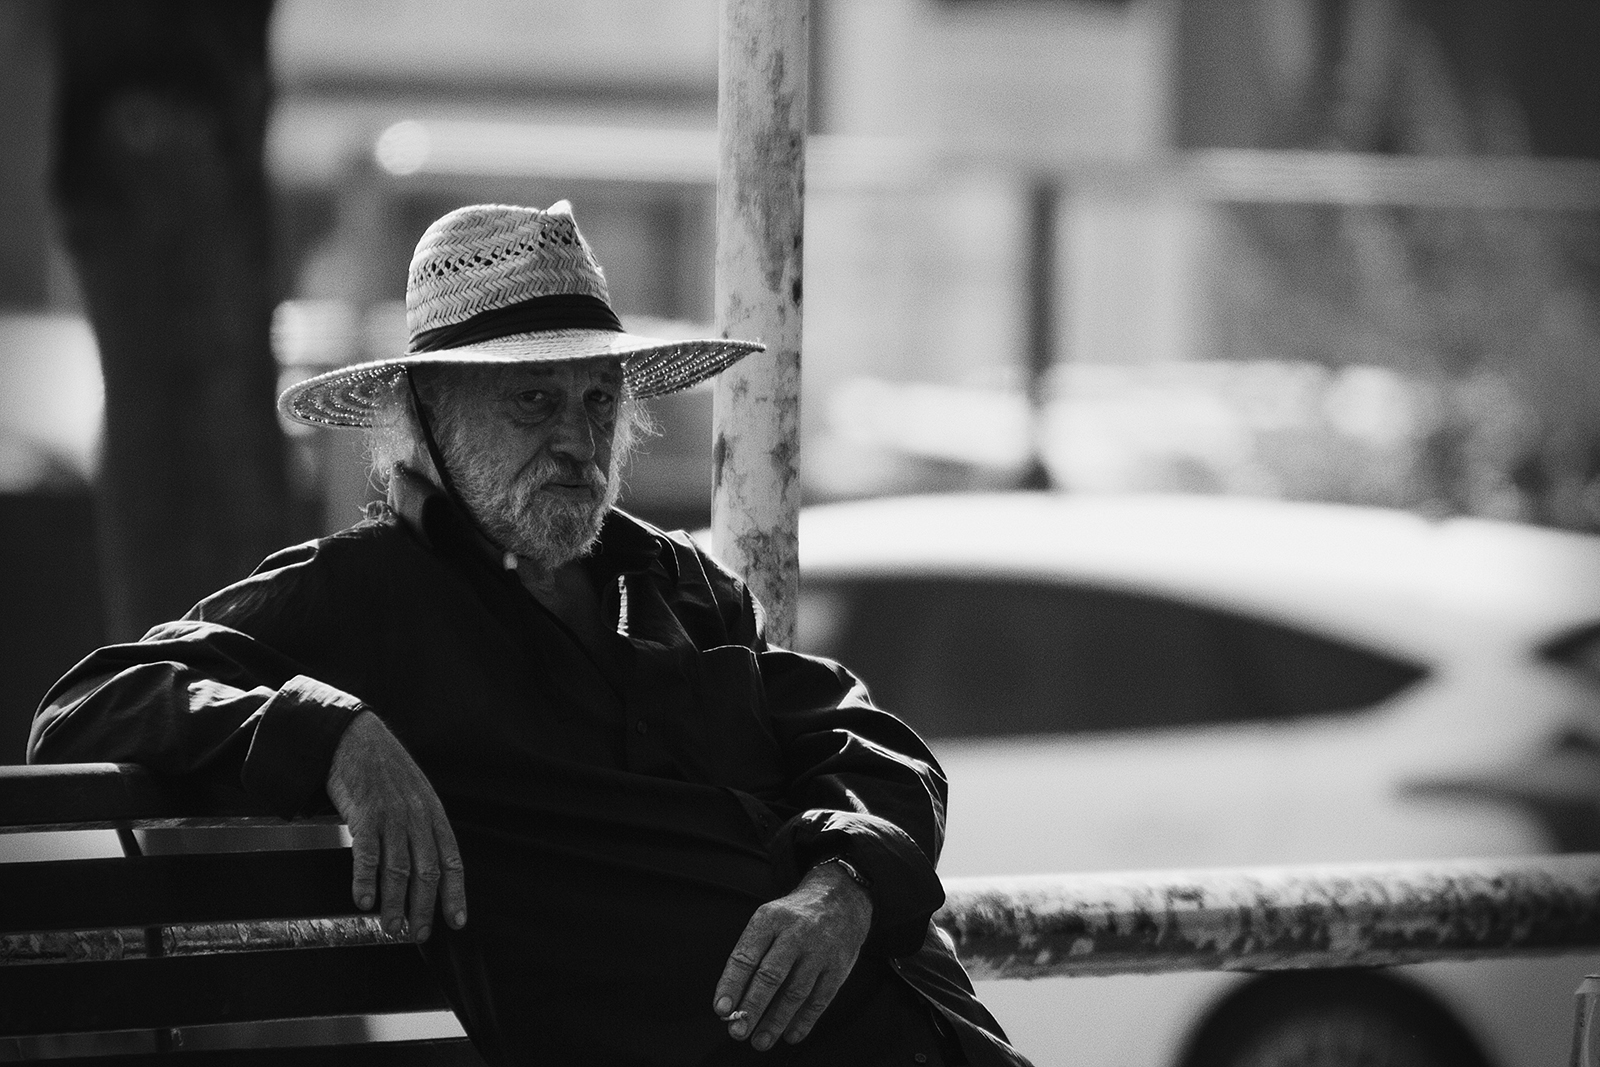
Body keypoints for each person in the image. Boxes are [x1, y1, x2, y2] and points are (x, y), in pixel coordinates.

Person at [29, 202, 1031, 1067]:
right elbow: (87, 703)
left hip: (931, 1029)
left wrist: (844, 878)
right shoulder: (367, 594)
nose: (576, 438)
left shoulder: (671, 580)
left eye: (600, 402)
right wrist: (333, 731)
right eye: (534, 401)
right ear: (431, 412)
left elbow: (868, 742)